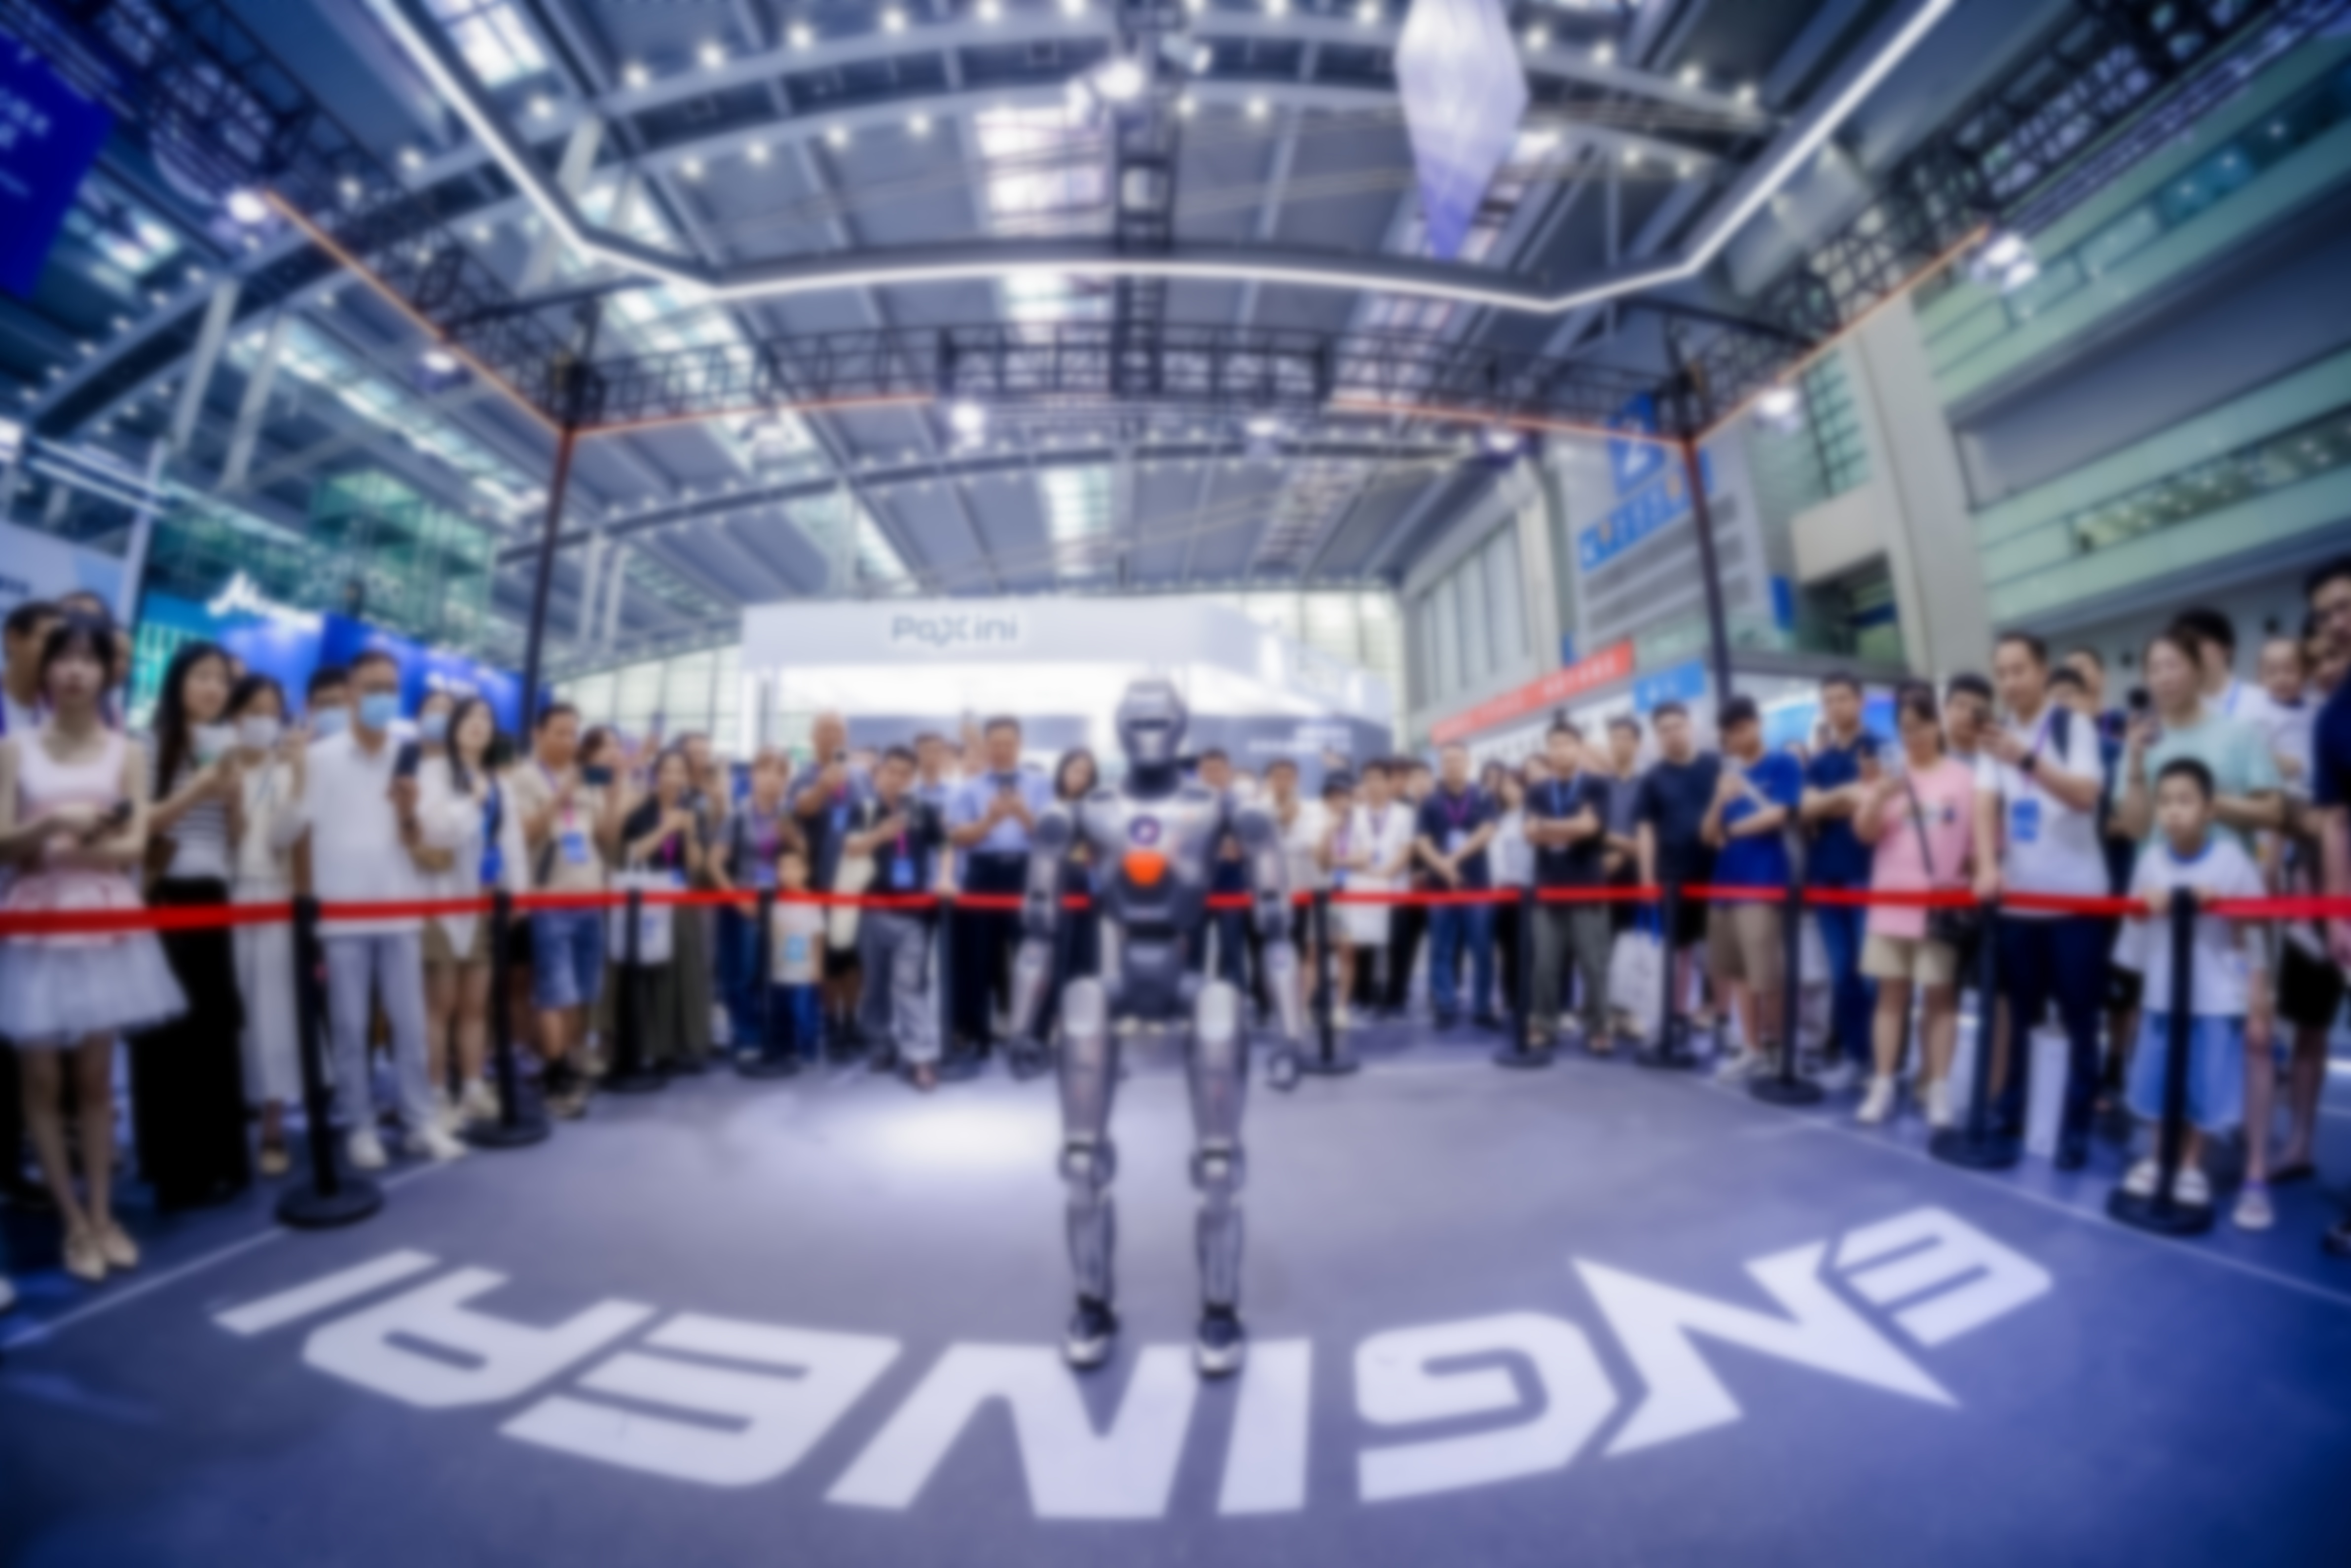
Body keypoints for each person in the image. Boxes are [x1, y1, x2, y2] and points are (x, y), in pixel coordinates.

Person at [0, 616, 185, 1281]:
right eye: (64, 656)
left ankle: (104, 1215)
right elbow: (2, 843)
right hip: (35, 918)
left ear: (109, 671)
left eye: (90, 658)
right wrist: (57, 822)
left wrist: (59, 845)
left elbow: (135, 846)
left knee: (95, 1080)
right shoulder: (16, 748)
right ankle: (74, 1222)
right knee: (41, 1080)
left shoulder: (126, 752)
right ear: (45, 668)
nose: (76, 669)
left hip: (104, 915)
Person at [294, 650, 466, 1166]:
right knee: (350, 1027)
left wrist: (408, 810)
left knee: (409, 1025)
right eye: (371, 687)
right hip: (341, 912)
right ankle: (360, 1126)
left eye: (390, 687)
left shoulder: (408, 755)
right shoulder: (319, 757)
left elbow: (421, 842)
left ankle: (420, 1122)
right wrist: (306, 903)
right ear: (350, 692)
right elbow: (301, 834)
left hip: (398, 908)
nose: (381, 697)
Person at [1973, 631, 2110, 1169]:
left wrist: (2026, 759)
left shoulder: (2074, 726)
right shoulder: (1995, 735)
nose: (2009, 681)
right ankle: (2013, 1109)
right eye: (2001, 672)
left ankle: (2076, 1123)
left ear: (2042, 671)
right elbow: (1984, 806)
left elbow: (2084, 795)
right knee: (2021, 1015)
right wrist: (1987, 866)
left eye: (2019, 669)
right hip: (2018, 903)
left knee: (2080, 1017)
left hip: (2077, 902)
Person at [2109, 759, 2269, 1212]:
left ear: (2209, 809)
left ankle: (2192, 1164)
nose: (2174, 810)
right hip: (2162, 993)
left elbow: (2256, 924)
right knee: (2156, 1077)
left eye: (2185, 800)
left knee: (2206, 1083)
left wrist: (2254, 993)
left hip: (2216, 997)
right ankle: (2159, 1156)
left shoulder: (2232, 860)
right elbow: (2135, 928)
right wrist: (2144, 907)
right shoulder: (2150, 861)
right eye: (2165, 802)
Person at [128, 641, 251, 1210]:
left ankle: (221, 1158)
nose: (213, 687)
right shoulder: (148, 742)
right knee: (166, 1035)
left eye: (222, 679)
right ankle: (174, 1168)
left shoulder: (229, 744)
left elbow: (235, 838)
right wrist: (198, 788)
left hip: (214, 893)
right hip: (165, 894)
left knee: (215, 1028)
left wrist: (234, 801)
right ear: (177, 681)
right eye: (202, 675)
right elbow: (139, 824)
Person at [1851, 684, 1976, 1127]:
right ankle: (1883, 1083)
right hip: (1890, 903)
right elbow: (1865, 834)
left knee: (1941, 997)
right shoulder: (1890, 776)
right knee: (1890, 997)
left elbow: (1979, 845)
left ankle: (1937, 1086)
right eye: (1906, 729)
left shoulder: (1963, 778)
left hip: (1941, 907)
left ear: (1937, 726)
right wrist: (1880, 796)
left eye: (1922, 727)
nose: (1914, 737)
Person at [507, 702, 624, 1118]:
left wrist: (613, 797)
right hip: (549, 899)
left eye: (574, 733)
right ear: (538, 734)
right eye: (560, 732)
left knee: (581, 991)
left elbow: (605, 838)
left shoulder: (589, 777)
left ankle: (570, 1064)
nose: (569, 741)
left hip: (589, 895)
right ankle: (554, 1075)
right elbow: (524, 833)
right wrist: (561, 794)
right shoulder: (521, 776)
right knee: (554, 991)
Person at [417, 696, 524, 1127]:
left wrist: (517, 894)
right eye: (469, 716)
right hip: (441, 900)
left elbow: (510, 842)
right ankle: (435, 1095)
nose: (478, 723)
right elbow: (436, 832)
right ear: (453, 725)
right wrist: (473, 801)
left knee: (476, 1005)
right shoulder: (433, 771)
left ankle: (473, 1089)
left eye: (486, 717)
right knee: (440, 1005)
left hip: (483, 903)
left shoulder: (500, 781)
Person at [224, 675, 307, 1175]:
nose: (264, 720)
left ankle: (271, 1129)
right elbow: (225, 841)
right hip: (224, 898)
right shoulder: (218, 764)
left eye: (273, 712)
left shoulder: (287, 769)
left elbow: (282, 839)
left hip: (272, 896)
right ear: (236, 715)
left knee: (274, 1017)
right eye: (255, 710)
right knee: (229, 1016)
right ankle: (228, 1124)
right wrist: (229, 803)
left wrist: (300, 779)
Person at [2295, 557, 2351, 1256]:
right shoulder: (2333, 717)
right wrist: (2337, 913)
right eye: (2325, 614)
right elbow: (2335, 822)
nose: (2337, 621)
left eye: (2344, 604)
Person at [0, 598, 62, 1215]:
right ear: (13, 638)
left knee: (22, 1043)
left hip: (36, 897)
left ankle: (13, 1162)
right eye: (47, 638)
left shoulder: (56, 720)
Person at [1702, 695, 1801, 1080]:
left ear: (1758, 724)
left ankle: (1778, 1047)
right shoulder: (1728, 776)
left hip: (1764, 882)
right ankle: (1752, 1047)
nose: (1738, 737)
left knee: (1767, 973)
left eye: (1743, 728)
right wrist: (1718, 798)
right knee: (1739, 972)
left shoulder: (1783, 763)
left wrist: (1732, 830)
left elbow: (1779, 814)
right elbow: (1708, 835)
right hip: (1725, 884)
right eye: (1730, 733)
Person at [845, 745, 951, 1090]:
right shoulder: (863, 809)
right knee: (875, 984)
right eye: (892, 772)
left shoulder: (925, 809)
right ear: (880, 773)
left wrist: (945, 877)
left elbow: (946, 845)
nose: (898, 779)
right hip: (872, 908)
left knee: (909, 984)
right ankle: (880, 1044)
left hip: (914, 913)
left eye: (906, 774)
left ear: (913, 777)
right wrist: (880, 835)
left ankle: (921, 1055)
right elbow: (851, 849)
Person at [947, 716, 1050, 1058]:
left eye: (1009, 743)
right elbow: (958, 836)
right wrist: (990, 820)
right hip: (982, 873)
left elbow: (1051, 836)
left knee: (1030, 955)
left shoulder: (1041, 784)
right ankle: (976, 1033)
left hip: (1026, 872)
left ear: (1020, 745)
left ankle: (1031, 1032)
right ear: (986, 745)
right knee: (976, 955)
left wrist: (1022, 813)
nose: (1003, 750)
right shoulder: (970, 788)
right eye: (996, 743)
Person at [1799, 673, 1883, 1090]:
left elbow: (1878, 803)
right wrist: (1847, 796)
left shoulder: (1879, 748)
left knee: (1873, 975)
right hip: (1825, 871)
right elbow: (1806, 810)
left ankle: (1883, 1062)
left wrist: (1833, 803)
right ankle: (1855, 1057)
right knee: (1841, 973)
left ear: (1861, 700)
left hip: (1869, 872)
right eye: (1828, 700)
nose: (1836, 706)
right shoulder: (1819, 760)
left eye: (1843, 698)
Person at [619, 747, 713, 1070]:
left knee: (688, 971)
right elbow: (634, 854)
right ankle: (657, 1048)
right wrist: (665, 828)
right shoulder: (640, 813)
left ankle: (689, 1044)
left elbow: (696, 865)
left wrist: (689, 832)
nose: (674, 778)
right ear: (656, 776)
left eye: (680, 772)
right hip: (649, 903)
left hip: (683, 902)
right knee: (656, 973)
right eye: (667, 771)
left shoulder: (693, 813)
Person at [1635, 701, 1721, 1045]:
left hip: (1718, 872)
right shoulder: (1653, 777)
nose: (1672, 734)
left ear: (1691, 726)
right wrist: (1646, 880)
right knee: (1678, 951)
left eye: (1677, 726)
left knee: (1720, 951)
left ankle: (1721, 1016)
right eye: (1664, 730)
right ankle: (1678, 1015)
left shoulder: (1714, 765)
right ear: (1657, 736)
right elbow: (1645, 830)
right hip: (1672, 875)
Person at [793, 711, 875, 1056]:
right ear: (813, 736)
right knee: (827, 957)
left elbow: (872, 817)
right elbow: (802, 811)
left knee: (854, 957)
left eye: (838, 730)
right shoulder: (804, 776)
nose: (831, 735)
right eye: (825, 729)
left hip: (855, 882)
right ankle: (832, 1024)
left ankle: (853, 1020)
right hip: (819, 880)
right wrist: (824, 785)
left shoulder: (861, 776)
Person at [1525, 723, 1609, 1052]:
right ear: (1547, 750)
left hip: (1588, 887)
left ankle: (1599, 1027)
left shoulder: (1596, 784)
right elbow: (1529, 834)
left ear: (1579, 747)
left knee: (1593, 964)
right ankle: (1543, 1024)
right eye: (1554, 744)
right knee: (1545, 965)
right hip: (1548, 888)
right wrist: (1572, 826)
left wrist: (1546, 825)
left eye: (1567, 743)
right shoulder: (1537, 790)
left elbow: (1591, 827)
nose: (1560, 750)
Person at [710, 751, 799, 1056]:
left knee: (777, 971)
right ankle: (746, 1037)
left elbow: (803, 855)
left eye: (779, 773)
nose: (772, 779)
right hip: (744, 905)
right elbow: (715, 863)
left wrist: (792, 837)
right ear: (753, 776)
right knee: (743, 974)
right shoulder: (738, 814)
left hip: (780, 905)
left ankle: (775, 1036)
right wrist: (737, 899)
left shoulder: (786, 815)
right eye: (765, 771)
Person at [1413, 742, 1501, 1031]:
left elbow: (1487, 830)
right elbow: (1422, 842)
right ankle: (1445, 1005)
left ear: (1468, 762)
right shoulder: (1430, 801)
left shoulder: (1483, 795)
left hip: (1477, 884)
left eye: (1458, 760)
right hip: (1440, 886)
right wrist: (1443, 866)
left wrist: (1453, 860)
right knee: (1441, 949)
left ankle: (1482, 1007)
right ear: (1441, 765)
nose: (1452, 765)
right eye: (1447, 761)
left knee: (1482, 949)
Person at [1336, 761, 1411, 1021]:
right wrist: (1368, 871)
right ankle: (1363, 995)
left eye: (1379, 779)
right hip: (1362, 887)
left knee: (1397, 946)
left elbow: (1406, 850)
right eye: (1368, 779)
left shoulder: (1405, 814)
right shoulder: (1353, 814)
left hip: (1395, 887)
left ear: (1390, 783)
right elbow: (1348, 851)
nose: (1373, 784)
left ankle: (1396, 998)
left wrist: (1385, 875)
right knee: (1362, 945)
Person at [1383, 758, 1437, 1018]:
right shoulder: (1399, 810)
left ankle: (1439, 996)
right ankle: (1398, 995)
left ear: (1432, 780)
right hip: (1405, 888)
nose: (1419, 783)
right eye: (1414, 779)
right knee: (1401, 945)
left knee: (1441, 947)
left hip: (1437, 888)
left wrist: (1429, 872)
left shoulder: (1441, 806)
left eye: (1424, 778)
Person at [770, 847, 826, 1065]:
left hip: (804, 971)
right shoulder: (773, 900)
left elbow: (818, 936)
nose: (788, 873)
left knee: (804, 1012)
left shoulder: (812, 901)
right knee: (781, 1012)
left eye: (794, 867)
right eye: (782, 868)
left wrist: (818, 967)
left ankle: (808, 1048)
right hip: (779, 970)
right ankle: (785, 1048)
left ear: (806, 871)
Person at [1314, 772, 1358, 1024]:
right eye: (1333, 797)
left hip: (1352, 895)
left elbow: (1366, 859)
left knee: (1346, 951)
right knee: (1315, 951)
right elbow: (1321, 862)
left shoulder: (1360, 822)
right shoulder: (1317, 822)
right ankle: (1312, 1003)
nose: (1339, 801)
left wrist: (1338, 861)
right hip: (1324, 894)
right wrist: (1328, 831)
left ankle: (1341, 1007)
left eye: (1343, 796)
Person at [1489, 766, 1531, 1015]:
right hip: (1504, 891)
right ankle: (1510, 997)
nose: (1510, 790)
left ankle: (1529, 998)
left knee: (1530, 948)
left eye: (1515, 785)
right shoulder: (1497, 819)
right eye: (1505, 786)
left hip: (1531, 891)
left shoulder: (1534, 815)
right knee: (1507, 948)